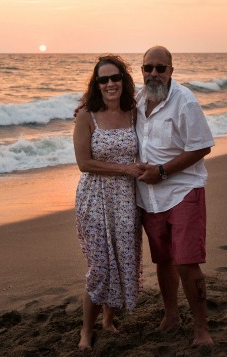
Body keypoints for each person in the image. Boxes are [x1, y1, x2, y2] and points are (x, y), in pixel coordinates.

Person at [135, 46, 215, 346]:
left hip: (183, 191)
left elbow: (202, 146)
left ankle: (201, 328)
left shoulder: (185, 102)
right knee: (164, 260)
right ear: (141, 70)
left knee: (186, 262)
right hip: (148, 197)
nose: (153, 73)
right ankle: (171, 314)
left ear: (171, 70)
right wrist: (84, 110)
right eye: (148, 68)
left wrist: (163, 172)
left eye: (160, 68)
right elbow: (105, 103)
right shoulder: (138, 99)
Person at [72, 54, 144, 350]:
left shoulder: (134, 113)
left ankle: (108, 320)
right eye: (104, 79)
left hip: (127, 199)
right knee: (100, 265)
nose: (110, 84)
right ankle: (86, 331)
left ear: (124, 81)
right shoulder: (86, 115)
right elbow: (84, 163)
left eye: (116, 78)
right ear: (96, 84)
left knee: (124, 258)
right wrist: (126, 169)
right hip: (95, 198)